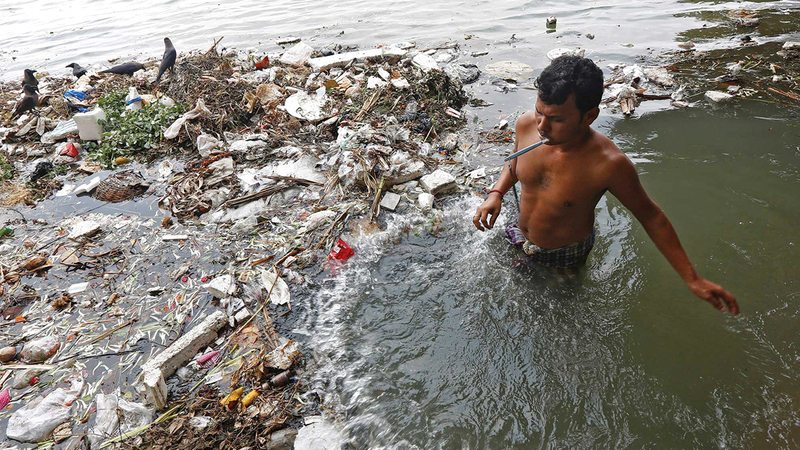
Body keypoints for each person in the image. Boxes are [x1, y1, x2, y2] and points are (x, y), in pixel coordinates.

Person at [472, 56, 739, 315]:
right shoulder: (526, 124)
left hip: (563, 255)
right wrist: (496, 193)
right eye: (539, 112)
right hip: (518, 233)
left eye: (557, 119)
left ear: (589, 116)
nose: (542, 126)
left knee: (557, 312)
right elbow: (515, 160)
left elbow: (652, 217)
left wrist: (692, 279)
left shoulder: (608, 164)